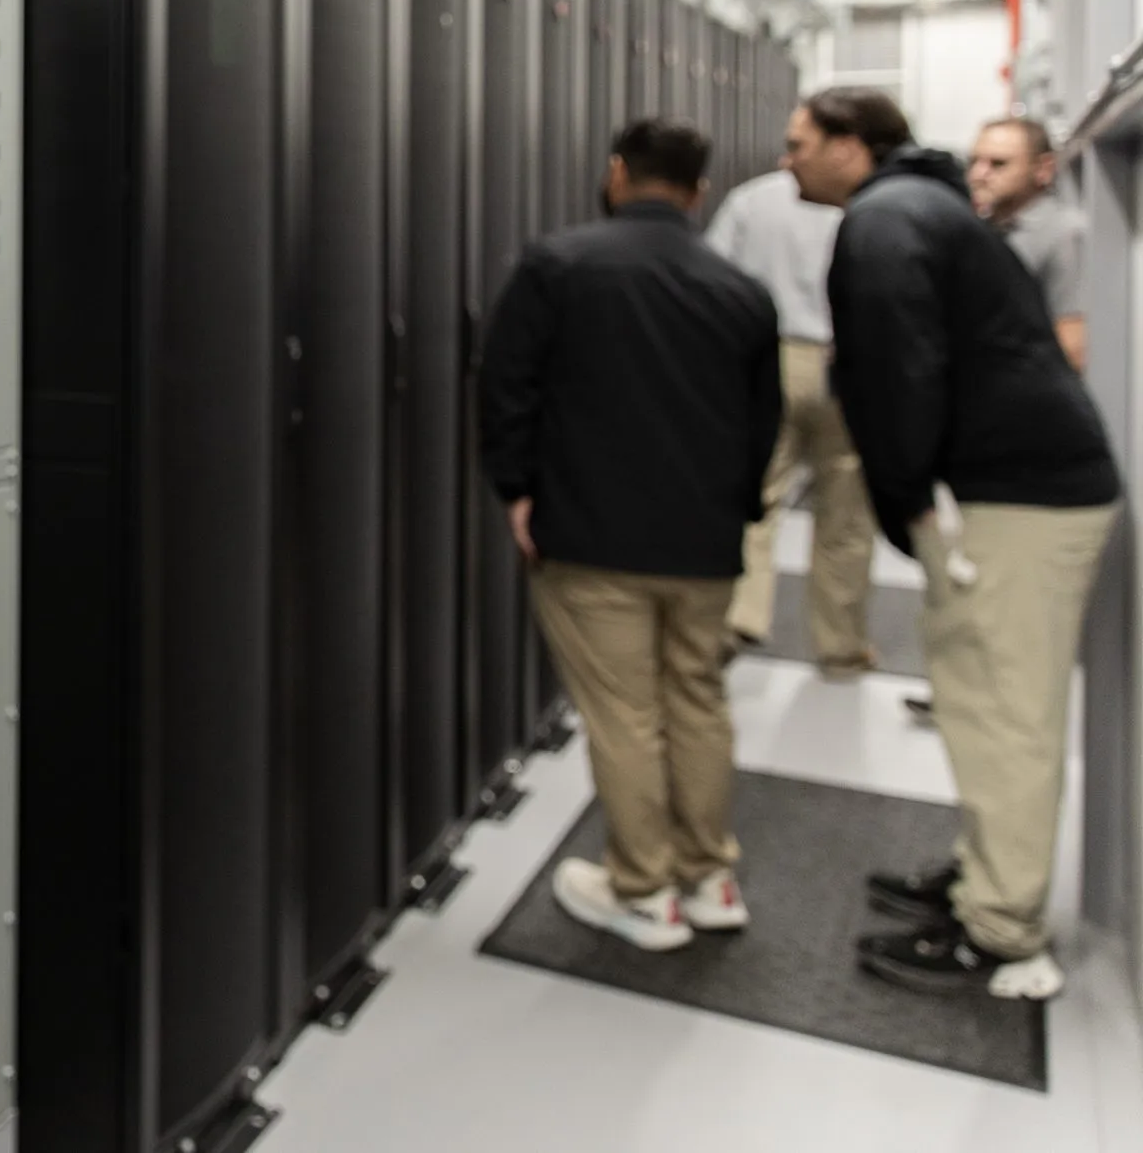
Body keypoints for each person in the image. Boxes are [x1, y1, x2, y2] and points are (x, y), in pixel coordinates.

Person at [787, 87, 1121, 1000]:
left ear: (854, 148)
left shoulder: (888, 221)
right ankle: (985, 881)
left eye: (801, 143)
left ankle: (1003, 933)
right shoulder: (921, 207)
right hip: (1014, 485)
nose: (789, 161)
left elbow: (900, 374)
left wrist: (906, 502)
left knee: (1008, 715)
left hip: (1020, 496)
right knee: (979, 700)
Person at [480, 118, 782, 952]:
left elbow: (505, 387)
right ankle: (710, 875)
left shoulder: (558, 265)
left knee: (624, 714)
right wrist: (739, 512)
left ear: (617, 173)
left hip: (591, 535)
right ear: (700, 191)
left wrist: (517, 492)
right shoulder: (740, 290)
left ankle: (642, 889)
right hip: (704, 541)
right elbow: (765, 428)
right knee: (696, 699)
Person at [704, 159, 876, 675]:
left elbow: (715, 274)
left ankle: (741, 617)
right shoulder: (862, 205)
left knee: (758, 495)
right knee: (845, 512)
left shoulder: (752, 199)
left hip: (768, 355)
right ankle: (840, 646)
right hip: (844, 361)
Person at [969, 115, 1087, 371]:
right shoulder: (980, 229)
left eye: (998, 164)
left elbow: (1072, 345)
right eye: (974, 161)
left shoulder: (1064, 233)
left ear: (1043, 169)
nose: (979, 174)